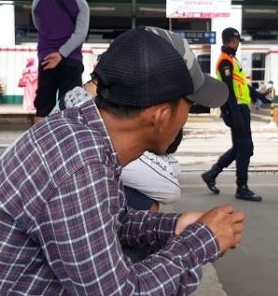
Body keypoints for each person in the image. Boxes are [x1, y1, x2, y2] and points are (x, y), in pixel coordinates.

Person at [0, 26, 244, 296]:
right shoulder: (81, 164)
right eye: (189, 105)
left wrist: (175, 226)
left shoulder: (78, 129)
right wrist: (202, 241)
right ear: (161, 116)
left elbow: (112, 219)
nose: (187, 117)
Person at [52, 79, 182, 211]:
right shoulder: (96, 125)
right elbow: (170, 189)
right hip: (69, 202)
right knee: (146, 202)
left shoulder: (78, 100)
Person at [201, 27, 262, 202]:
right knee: (245, 148)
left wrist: (259, 95)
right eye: (236, 41)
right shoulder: (224, 62)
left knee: (240, 147)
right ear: (230, 40)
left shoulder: (232, 60)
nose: (237, 44)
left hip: (242, 108)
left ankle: (211, 174)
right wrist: (235, 116)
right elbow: (228, 91)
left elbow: (243, 85)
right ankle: (241, 187)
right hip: (236, 110)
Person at [32, 0, 89, 123]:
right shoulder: (81, 4)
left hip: (46, 59)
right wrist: (62, 53)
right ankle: (67, 146)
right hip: (71, 60)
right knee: (71, 106)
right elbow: (80, 35)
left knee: (43, 105)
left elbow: (38, 25)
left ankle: (40, 145)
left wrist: (55, 51)